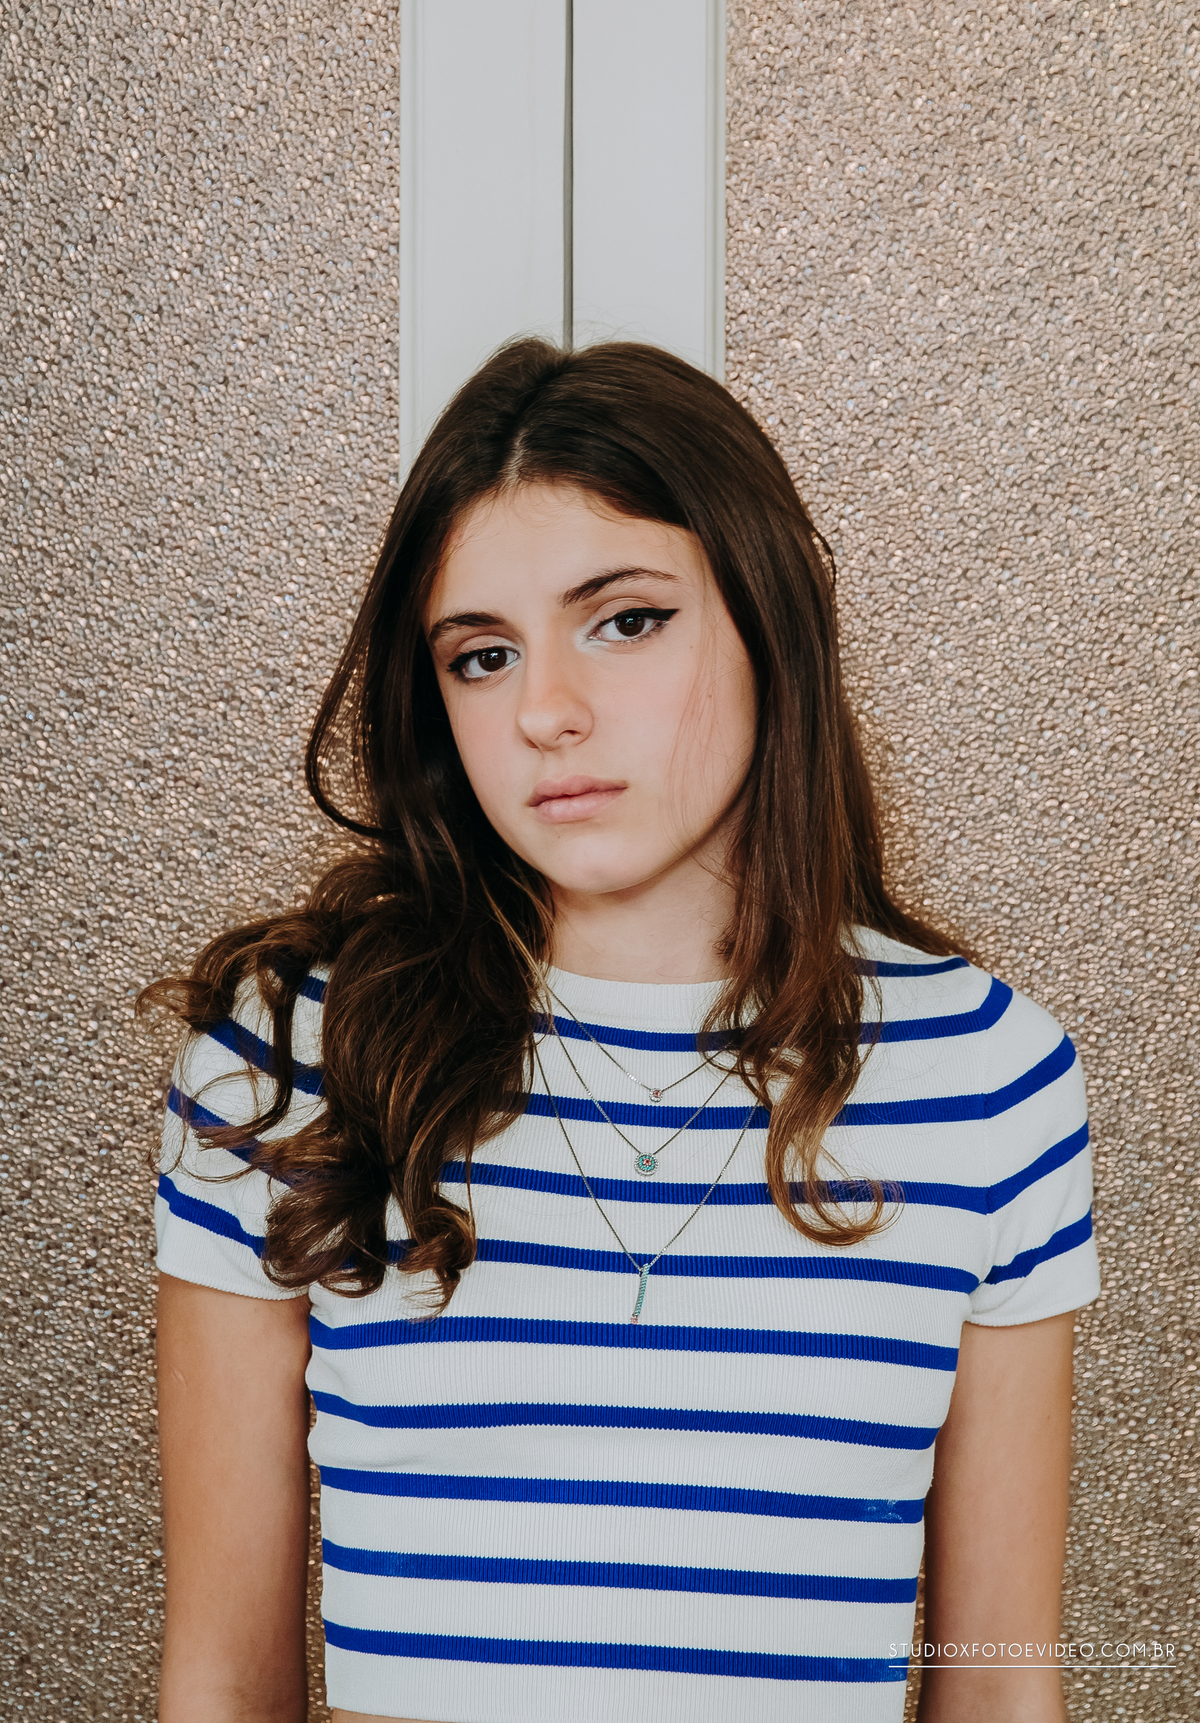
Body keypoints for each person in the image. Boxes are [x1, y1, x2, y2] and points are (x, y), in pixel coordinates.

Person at [147, 339, 1100, 1723]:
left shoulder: (987, 1077)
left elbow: (1001, 1684)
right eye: (483, 657)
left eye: (627, 620)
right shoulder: (293, 1055)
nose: (546, 712)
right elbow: (223, 1684)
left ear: (769, 615)